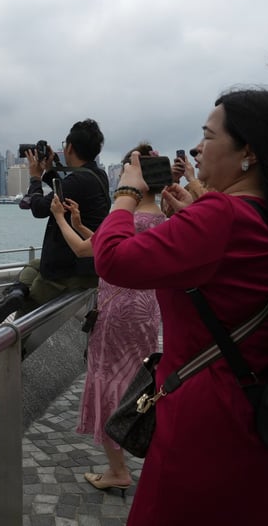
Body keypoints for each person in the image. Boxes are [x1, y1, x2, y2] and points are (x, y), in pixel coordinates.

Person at [92, 90, 268, 525]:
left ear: (248, 152)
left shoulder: (222, 215)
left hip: (210, 419)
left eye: (208, 136)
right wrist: (194, 216)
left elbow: (112, 259)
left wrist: (126, 191)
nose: (198, 149)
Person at [50, 142, 167, 494]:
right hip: (148, 310)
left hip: (117, 313)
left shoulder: (128, 216)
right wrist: (83, 223)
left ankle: (117, 469)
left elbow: (85, 251)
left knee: (109, 382)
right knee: (138, 381)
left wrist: (59, 218)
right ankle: (147, 453)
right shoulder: (162, 218)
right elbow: (111, 246)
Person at [0, 119, 110, 325]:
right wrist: (50, 169)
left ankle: (10, 340)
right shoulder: (98, 175)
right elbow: (65, 189)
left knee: (26, 315)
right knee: (33, 265)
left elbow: (40, 208)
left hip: (69, 270)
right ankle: (15, 293)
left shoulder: (78, 181)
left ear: (69, 147)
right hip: (90, 265)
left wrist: (35, 177)